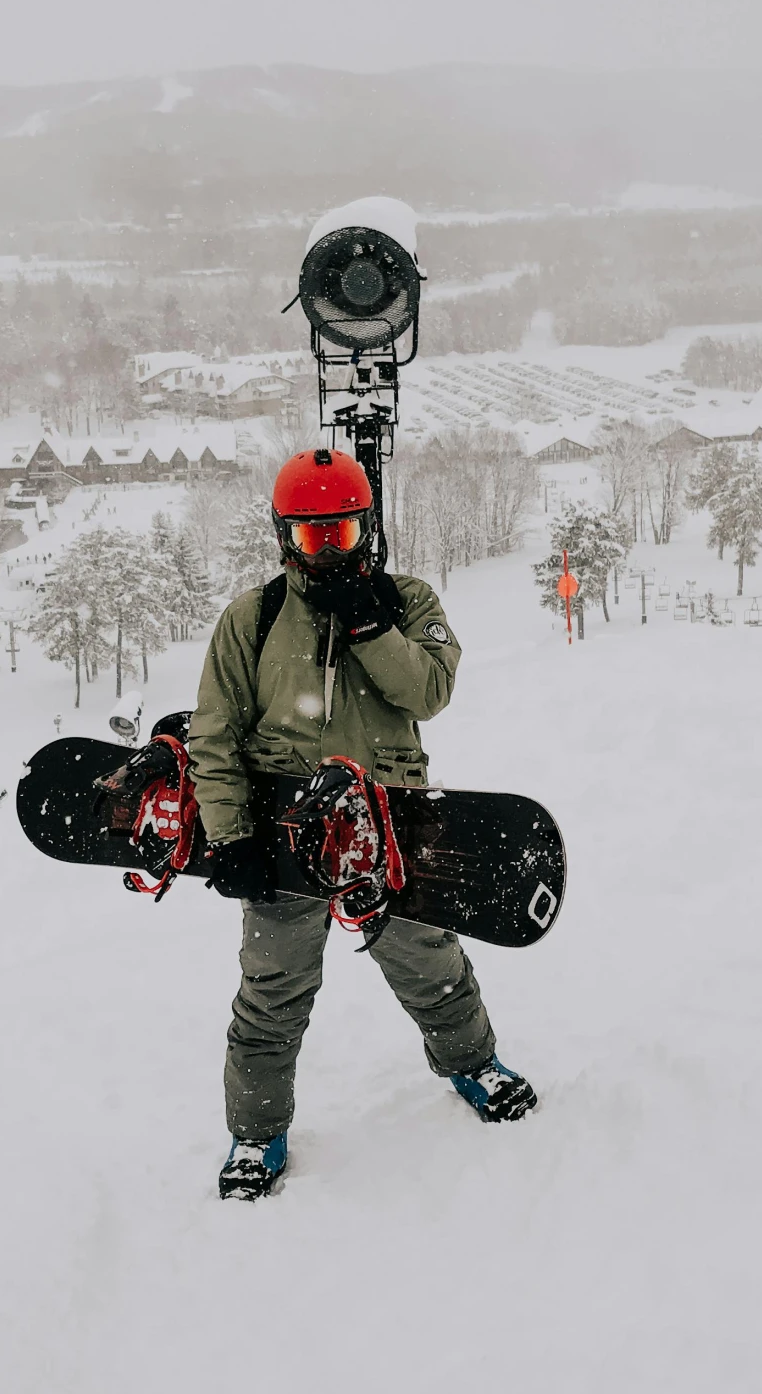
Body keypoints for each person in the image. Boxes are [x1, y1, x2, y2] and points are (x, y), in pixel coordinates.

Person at [189, 448, 536, 1202]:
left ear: (367, 529)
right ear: (285, 538)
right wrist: (231, 836)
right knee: (273, 989)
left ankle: (472, 1064)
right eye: (314, 539)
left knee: (430, 963)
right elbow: (213, 736)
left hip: (389, 824)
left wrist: (371, 627)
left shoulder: (409, 600)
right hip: (284, 828)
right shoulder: (253, 620)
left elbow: (430, 690)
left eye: (342, 534)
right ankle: (256, 1131)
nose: (329, 554)